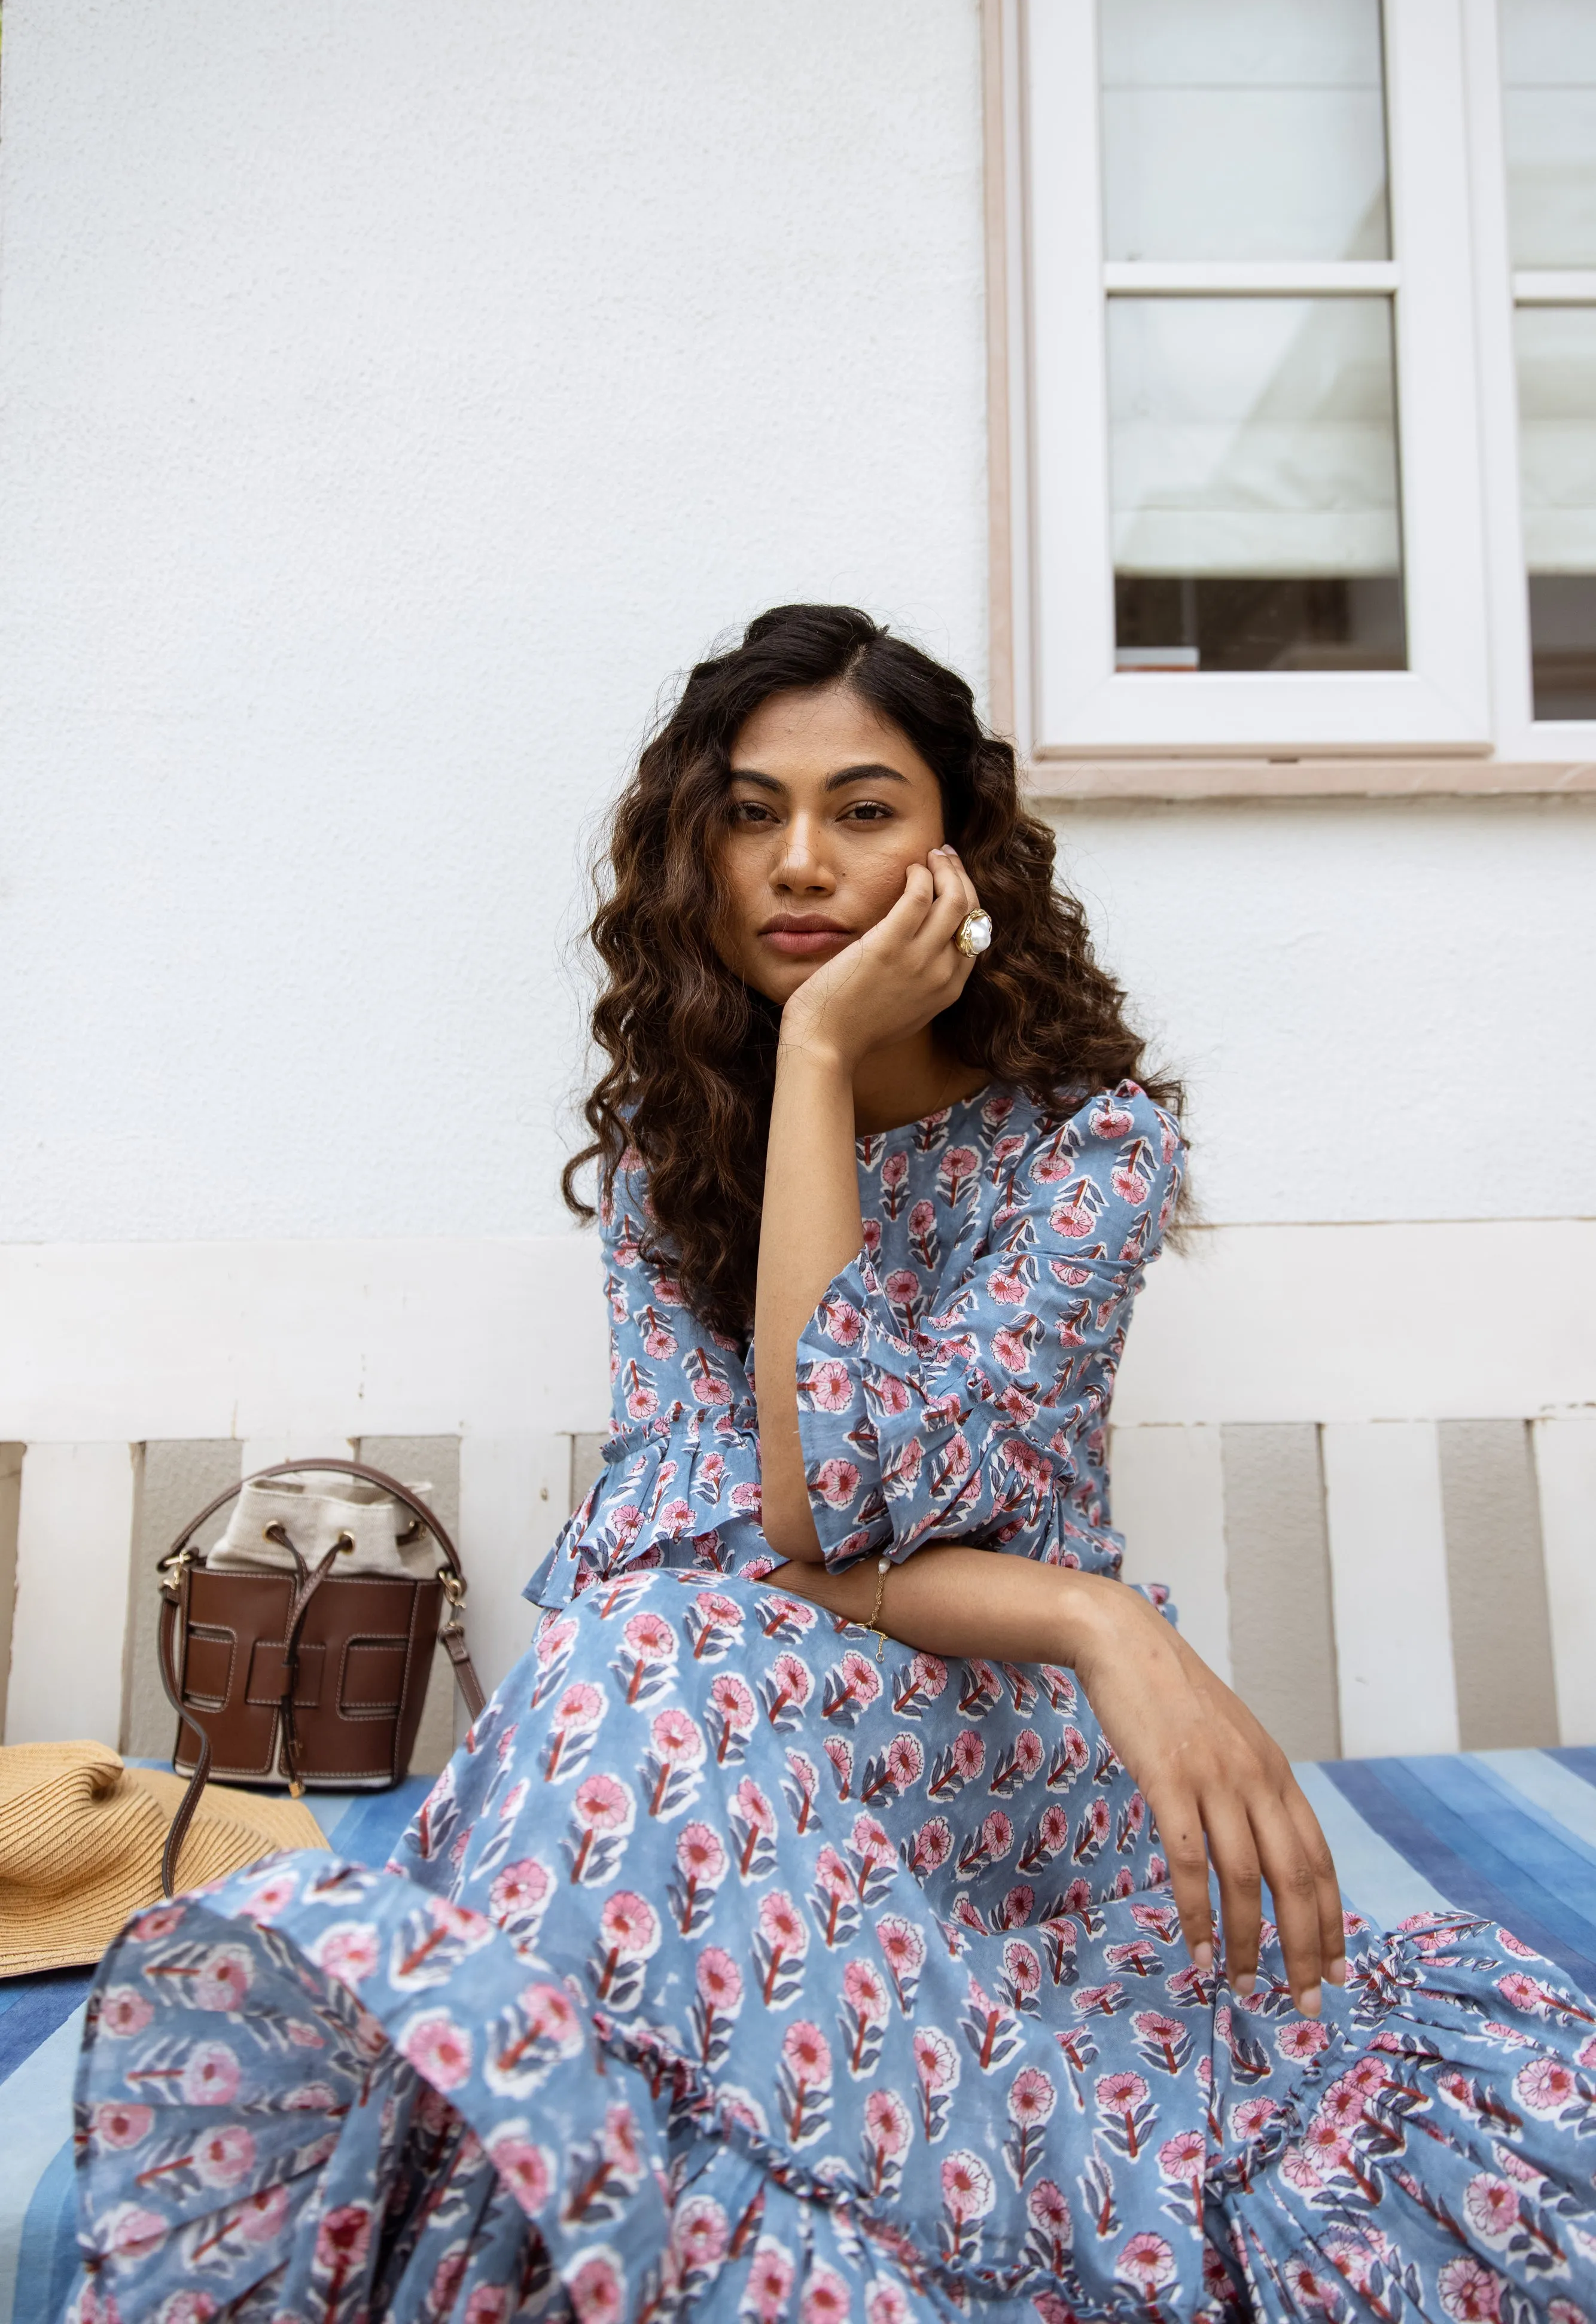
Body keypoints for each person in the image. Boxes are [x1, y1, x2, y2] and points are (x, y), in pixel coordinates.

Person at [71, 606, 1596, 2324]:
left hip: (975, 1717)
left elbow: (832, 1503)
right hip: (738, 1692)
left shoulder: (1085, 1147)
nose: (798, 861)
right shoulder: (677, 1151)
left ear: (959, 850)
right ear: (691, 852)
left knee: (629, 1649)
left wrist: (1059, 1627)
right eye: (747, 810)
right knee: (629, 1645)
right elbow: (713, 1526)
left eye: (864, 809)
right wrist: (1098, 1610)